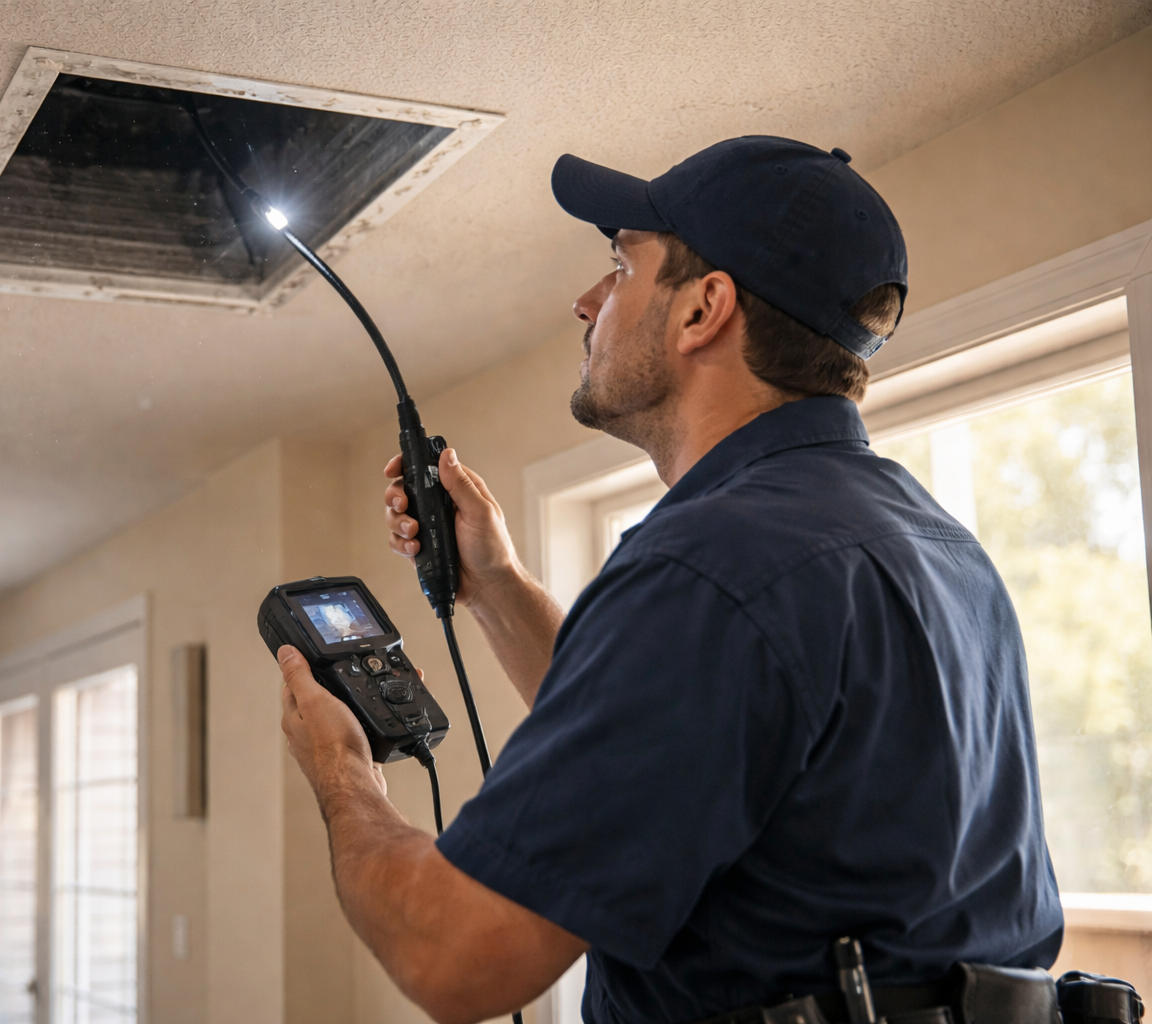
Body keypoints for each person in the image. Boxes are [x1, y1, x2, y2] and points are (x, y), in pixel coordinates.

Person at [274, 137, 1063, 1024]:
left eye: (620, 267)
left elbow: (453, 953)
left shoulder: (711, 564)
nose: (586, 301)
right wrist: (493, 583)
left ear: (703, 310)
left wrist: (342, 770)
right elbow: (674, 741)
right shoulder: (937, 546)